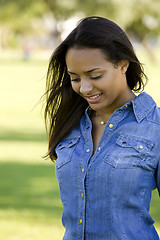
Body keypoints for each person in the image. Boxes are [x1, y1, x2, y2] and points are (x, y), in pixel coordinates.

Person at [44, 16, 160, 239]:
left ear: (123, 65)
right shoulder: (71, 124)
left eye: (95, 75)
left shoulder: (154, 127)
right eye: (75, 78)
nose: (85, 88)